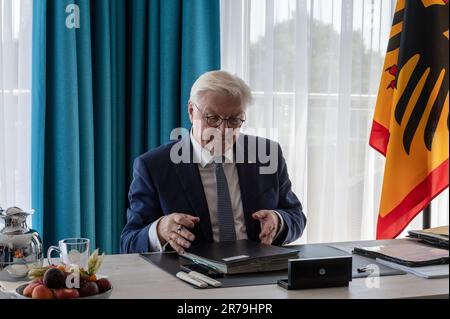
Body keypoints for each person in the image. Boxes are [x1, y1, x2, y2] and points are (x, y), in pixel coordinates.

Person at [120, 71, 306, 254]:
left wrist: (278, 220)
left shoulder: (267, 154)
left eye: (234, 120)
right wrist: (160, 229)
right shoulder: (154, 166)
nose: (223, 130)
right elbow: (129, 242)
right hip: (189, 277)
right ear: (192, 111)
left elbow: (296, 216)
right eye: (212, 118)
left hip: (257, 272)